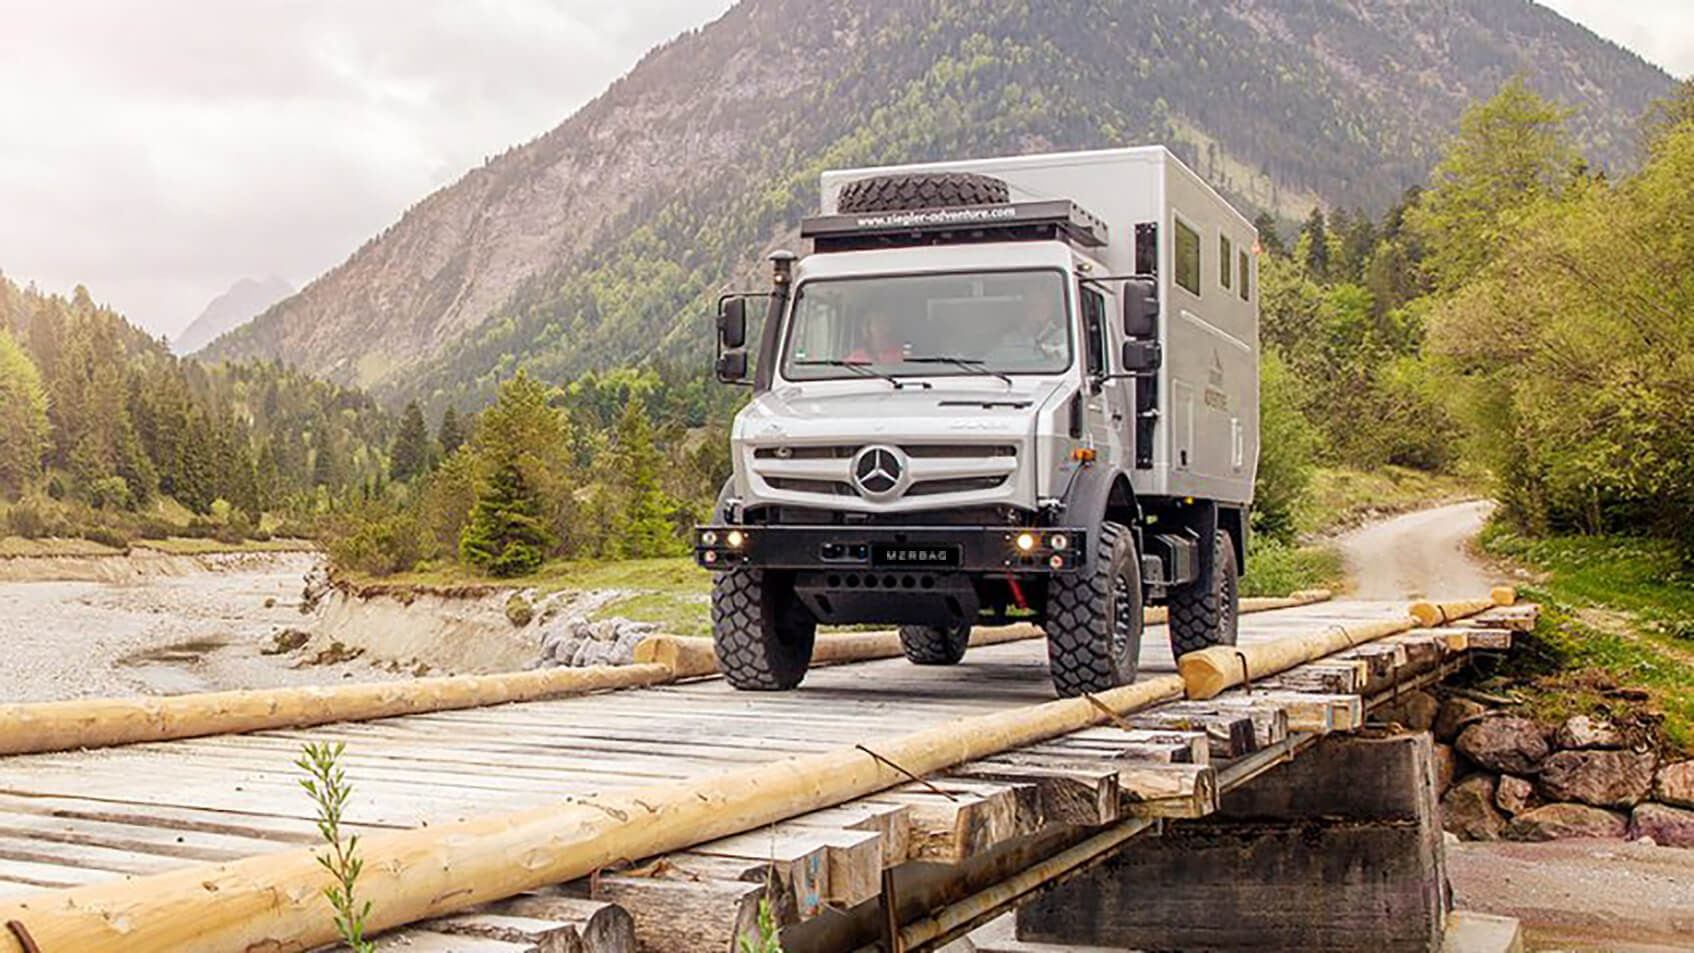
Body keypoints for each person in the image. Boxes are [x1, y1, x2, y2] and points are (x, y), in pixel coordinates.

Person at [982, 291, 1064, 368]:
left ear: (1050, 309)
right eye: (1031, 306)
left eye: (1040, 306)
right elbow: (987, 363)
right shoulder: (1009, 340)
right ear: (1024, 309)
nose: (1035, 311)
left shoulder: (1064, 337)